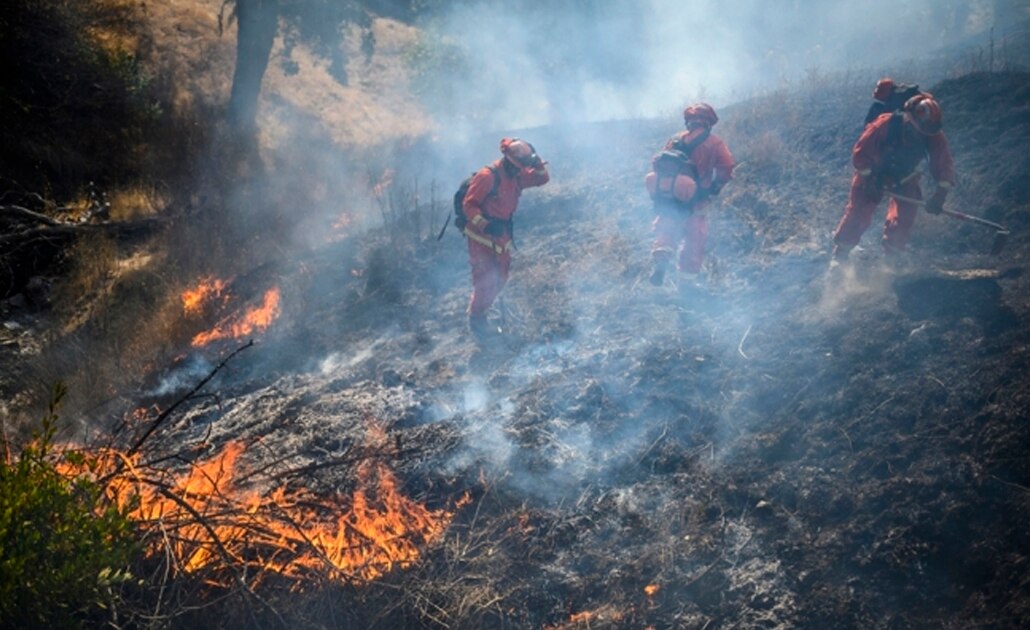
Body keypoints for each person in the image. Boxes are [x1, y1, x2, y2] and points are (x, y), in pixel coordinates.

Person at [831, 93, 956, 262]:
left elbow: (944, 163)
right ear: (908, 119)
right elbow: (860, 156)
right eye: (916, 131)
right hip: (871, 173)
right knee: (859, 211)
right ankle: (841, 255)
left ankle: (892, 258)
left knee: (905, 216)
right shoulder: (884, 125)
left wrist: (940, 194)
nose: (920, 136)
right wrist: (869, 181)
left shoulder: (932, 132)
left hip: (904, 176)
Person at [461, 137, 549, 337]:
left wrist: (537, 163)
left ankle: (482, 309)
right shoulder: (487, 177)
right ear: (508, 161)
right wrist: (484, 224)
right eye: (519, 166)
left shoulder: (517, 175)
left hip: (501, 234)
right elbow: (469, 205)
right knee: (484, 279)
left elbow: (542, 179)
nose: (521, 170)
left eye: (523, 167)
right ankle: (476, 319)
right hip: (480, 236)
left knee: (500, 276)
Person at [646, 102, 735, 287]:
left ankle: (661, 259)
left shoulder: (674, 140)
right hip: (697, 201)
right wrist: (714, 188)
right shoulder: (715, 143)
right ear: (708, 123)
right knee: (694, 239)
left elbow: (659, 164)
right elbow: (726, 167)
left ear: (689, 122)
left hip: (670, 199)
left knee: (667, 231)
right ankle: (687, 285)